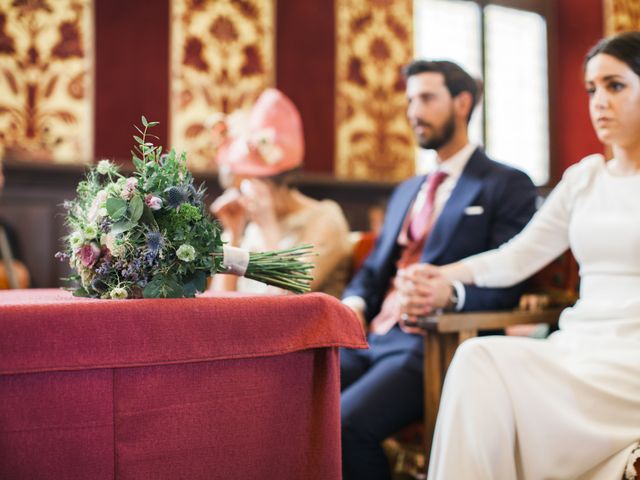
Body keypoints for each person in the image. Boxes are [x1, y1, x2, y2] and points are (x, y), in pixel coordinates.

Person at [407, 31, 640, 479]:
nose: (598, 102)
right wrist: (435, 274)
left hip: (630, 364)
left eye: (615, 85)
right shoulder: (584, 179)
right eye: (592, 89)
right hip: (577, 347)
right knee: (478, 360)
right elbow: (515, 257)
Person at [339, 60, 538, 480]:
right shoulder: (406, 190)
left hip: (434, 346)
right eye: (410, 99)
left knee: (344, 425)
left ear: (462, 102)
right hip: (371, 337)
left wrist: (453, 295)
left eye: (427, 98)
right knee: (290, 397)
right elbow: (373, 272)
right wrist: (354, 305)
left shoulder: (506, 184)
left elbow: (513, 280)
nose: (413, 111)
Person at [209, 88, 351, 298]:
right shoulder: (249, 227)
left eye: (243, 184)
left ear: (268, 182)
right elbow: (216, 304)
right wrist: (234, 236)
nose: (237, 195)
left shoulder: (325, 220)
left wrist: (269, 226)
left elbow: (285, 300)